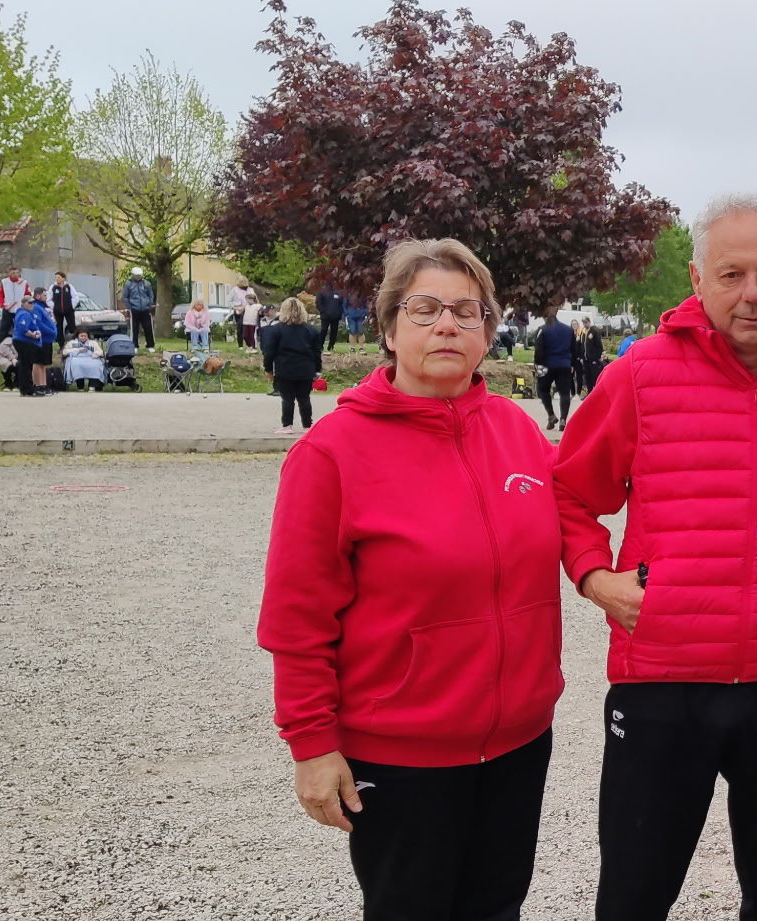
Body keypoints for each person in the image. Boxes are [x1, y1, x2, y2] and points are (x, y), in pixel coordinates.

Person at [552, 193, 757, 921]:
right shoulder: (639, 375)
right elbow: (567, 492)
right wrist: (597, 577)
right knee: (634, 891)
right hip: (662, 681)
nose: (751, 293)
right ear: (697, 279)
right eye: (732, 274)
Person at [257, 237, 567, 921]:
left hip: (518, 741)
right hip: (403, 755)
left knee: (496, 909)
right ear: (390, 327)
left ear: (489, 329)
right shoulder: (331, 454)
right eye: (425, 309)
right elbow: (296, 618)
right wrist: (311, 744)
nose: (448, 325)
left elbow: (580, 519)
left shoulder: (519, 433)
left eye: (467, 310)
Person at [260, 297, 324, 434]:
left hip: (285, 368)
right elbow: (317, 352)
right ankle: (307, 425)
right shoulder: (311, 331)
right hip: (306, 369)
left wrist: (268, 368)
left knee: (287, 398)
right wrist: (317, 370)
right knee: (304, 398)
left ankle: (287, 425)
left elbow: (269, 351)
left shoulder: (276, 330)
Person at [531, 307, 574, 430]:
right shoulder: (568, 330)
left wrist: (538, 364)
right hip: (564, 364)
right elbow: (574, 348)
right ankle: (563, 419)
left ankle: (551, 414)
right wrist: (572, 364)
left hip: (547, 365)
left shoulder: (542, 330)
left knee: (543, 390)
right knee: (565, 393)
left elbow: (539, 350)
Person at [11, 291, 58, 397]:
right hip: (24, 342)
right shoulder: (24, 314)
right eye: (29, 303)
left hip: (26, 342)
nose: (32, 305)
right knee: (26, 366)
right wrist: (33, 335)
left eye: (32, 303)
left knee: (26, 365)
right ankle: (28, 389)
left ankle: (26, 389)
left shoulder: (26, 313)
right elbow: (22, 328)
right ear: (23, 304)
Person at [121, 267, 157, 352]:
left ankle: (150, 345)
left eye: (140, 275)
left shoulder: (146, 284)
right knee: (134, 328)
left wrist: (149, 304)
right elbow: (125, 297)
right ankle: (134, 345)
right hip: (134, 309)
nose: (138, 277)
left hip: (145, 309)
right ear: (133, 275)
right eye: (137, 275)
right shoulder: (128, 284)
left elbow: (150, 295)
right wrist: (130, 307)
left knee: (148, 328)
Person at [49, 272, 81, 345]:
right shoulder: (53, 287)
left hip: (69, 311)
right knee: (59, 328)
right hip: (57, 311)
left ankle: (75, 342)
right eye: (56, 277)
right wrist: (54, 307)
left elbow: (75, 297)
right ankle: (61, 344)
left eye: (59, 277)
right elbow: (49, 299)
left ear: (63, 278)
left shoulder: (69, 286)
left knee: (72, 327)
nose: (57, 279)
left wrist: (71, 306)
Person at [317, 287, 347, 352]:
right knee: (323, 330)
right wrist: (323, 311)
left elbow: (342, 303)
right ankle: (320, 346)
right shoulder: (322, 290)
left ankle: (331, 346)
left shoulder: (339, 291)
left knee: (334, 331)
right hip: (325, 316)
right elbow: (318, 301)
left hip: (336, 316)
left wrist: (339, 312)